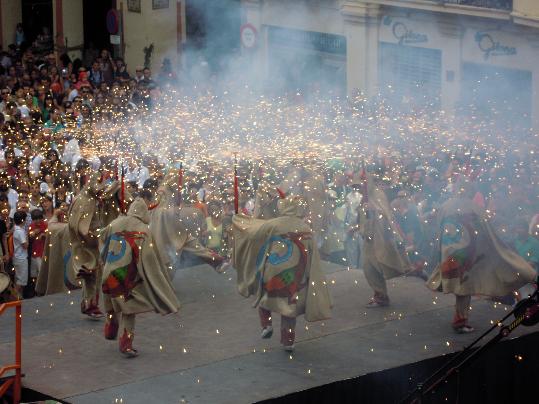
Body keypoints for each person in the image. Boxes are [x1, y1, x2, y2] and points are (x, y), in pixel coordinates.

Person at [427, 181, 536, 333]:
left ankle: (459, 317)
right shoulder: (474, 208)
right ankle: (460, 321)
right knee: (464, 287)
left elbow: (438, 227)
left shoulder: (446, 205)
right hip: (465, 254)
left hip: (448, 252)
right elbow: (486, 232)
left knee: (459, 285)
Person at [232, 194, 332, 351]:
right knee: (289, 309)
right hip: (298, 274)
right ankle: (289, 341)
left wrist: (239, 220)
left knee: (264, 296)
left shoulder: (273, 224)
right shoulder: (305, 227)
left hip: (273, 269)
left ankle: (266, 324)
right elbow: (313, 251)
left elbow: (252, 233)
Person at [360, 174, 413, 308]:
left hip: (380, 238)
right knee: (369, 268)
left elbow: (385, 214)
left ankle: (381, 296)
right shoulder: (365, 196)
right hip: (369, 238)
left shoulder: (378, 194)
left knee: (377, 266)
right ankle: (380, 295)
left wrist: (374, 210)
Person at [28, 209, 47, 285]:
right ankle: (36, 289)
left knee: (41, 272)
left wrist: (44, 235)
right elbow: (29, 238)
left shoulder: (45, 225)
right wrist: (32, 234)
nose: (38, 221)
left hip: (42, 252)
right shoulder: (31, 226)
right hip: (33, 253)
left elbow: (50, 236)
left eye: (40, 218)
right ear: (33, 219)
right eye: (36, 219)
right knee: (34, 273)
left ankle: (42, 289)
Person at [12, 211, 28, 300]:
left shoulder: (15, 228)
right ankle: (15, 297)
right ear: (23, 220)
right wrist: (28, 236)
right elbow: (25, 246)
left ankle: (19, 298)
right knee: (20, 280)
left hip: (17, 257)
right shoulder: (20, 232)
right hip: (21, 258)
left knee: (18, 278)